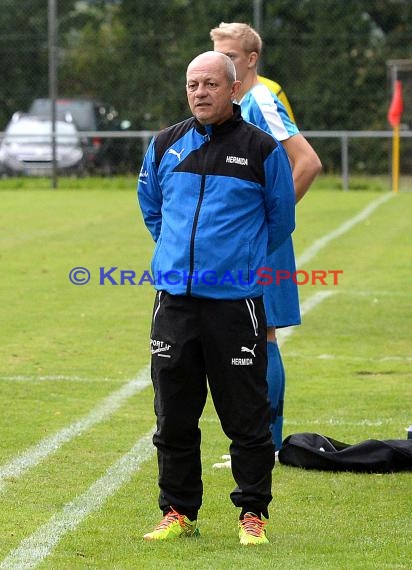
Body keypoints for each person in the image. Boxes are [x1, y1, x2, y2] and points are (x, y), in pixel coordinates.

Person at [137, 51, 296, 545]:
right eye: (192, 84)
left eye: (210, 83)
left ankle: (253, 514)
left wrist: (237, 261)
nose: (200, 92)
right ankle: (179, 511)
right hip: (175, 303)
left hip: (235, 304)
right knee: (173, 415)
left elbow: (280, 219)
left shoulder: (262, 150)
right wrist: (176, 255)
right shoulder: (166, 144)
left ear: (233, 89)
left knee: (245, 417)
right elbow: (151, 208)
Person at [210, 22, 322, 451]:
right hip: (244, 241)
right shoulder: (236, 103)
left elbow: (307, 162)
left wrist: (270, 221)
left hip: (262, 242)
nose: (225, 65)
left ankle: (267, 445)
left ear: (251, 60)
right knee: (248, 333)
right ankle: (260, 442)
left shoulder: (260, 98)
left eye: (232, 58)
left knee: (264, 333)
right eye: (220, 56)